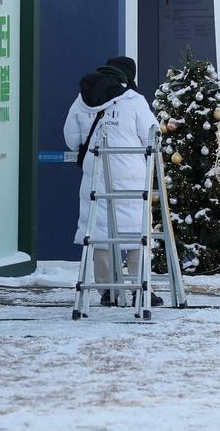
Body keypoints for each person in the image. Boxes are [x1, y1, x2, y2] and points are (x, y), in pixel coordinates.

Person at [63, 56, 159, 306]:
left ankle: (107, 291)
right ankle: (141, 288)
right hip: (131, 178)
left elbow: (70, 140)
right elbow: (152, 136)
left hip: (96, 178)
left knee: (99, 233)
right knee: (138, 233)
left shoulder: (81, 99)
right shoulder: (134, 101)